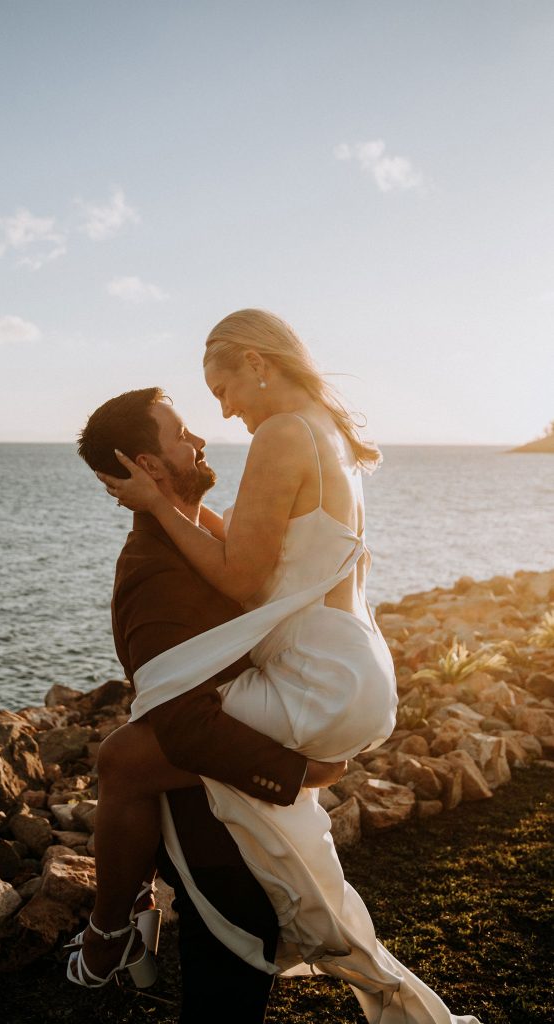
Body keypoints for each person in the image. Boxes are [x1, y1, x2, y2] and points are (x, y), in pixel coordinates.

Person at [85, 309, 481, 1022]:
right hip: (346, 664)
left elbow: (241, 580)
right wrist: (168, 507)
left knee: (126, 757)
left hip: (321, 676)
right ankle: (131, 916)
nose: (224, 411)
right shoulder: (317, 429)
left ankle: (111, 926)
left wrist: (156, 505)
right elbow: (244, 543)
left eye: (222, 387)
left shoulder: (281, 434)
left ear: (254, 361)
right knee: (155, 756)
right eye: (203, 408)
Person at [74, 385, 346, 1023]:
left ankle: (123, 927)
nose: (198, 441)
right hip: (219, 843)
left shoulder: (209, 536)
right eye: (180, 434)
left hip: (245, 825)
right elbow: (180, 724)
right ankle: (114, 929)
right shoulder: (153, 568)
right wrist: (300, 771)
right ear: (149, 466)